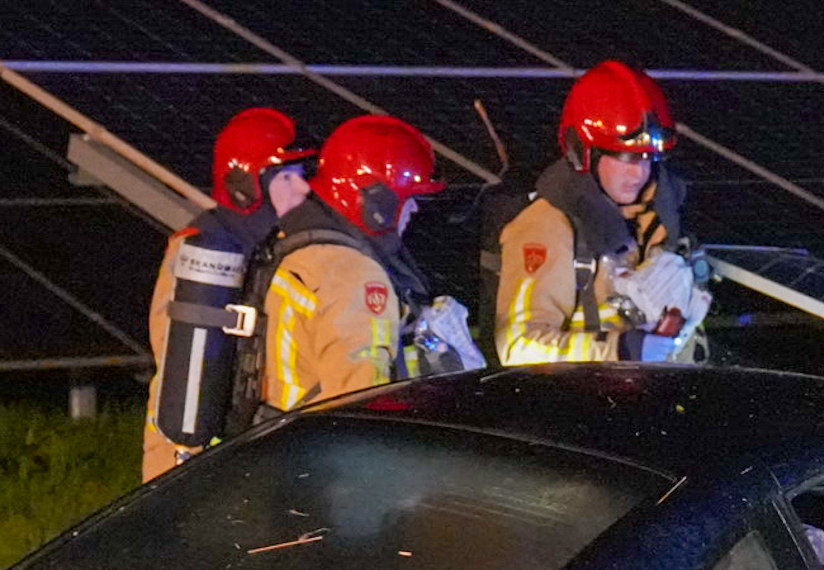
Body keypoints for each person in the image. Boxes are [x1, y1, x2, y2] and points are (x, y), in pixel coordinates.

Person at [247, 113, 484, 423]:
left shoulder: (298, 245)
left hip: (282, 442)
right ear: (376, 202)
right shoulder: (355, 277)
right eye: (407, 198)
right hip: (319, 455)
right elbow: (361, 405)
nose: (413, 209)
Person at [492, 60, 709, 366]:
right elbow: (517, 347)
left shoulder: (656, 222)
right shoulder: (545, 227)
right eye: (624, 158)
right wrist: (619, 350)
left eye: (647, 158)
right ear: (583, 153)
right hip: (579, 406)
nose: (639, 173)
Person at [142, 106, 317, 482]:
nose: (304, 189)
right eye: (288, 177)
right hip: (188, 450)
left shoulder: (278, 247)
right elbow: (171, 346)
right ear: (245, 184)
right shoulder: (199, 247)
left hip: (251, 442)